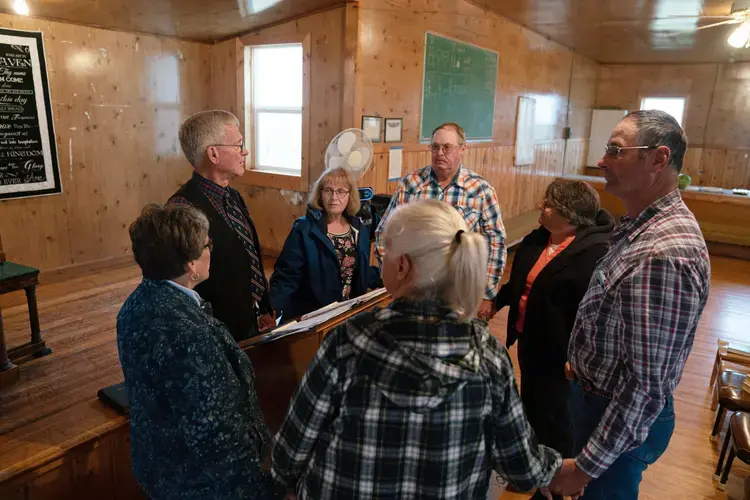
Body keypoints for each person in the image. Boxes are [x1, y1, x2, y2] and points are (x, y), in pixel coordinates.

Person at [271, 199, 570, 499]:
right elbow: (521, 465)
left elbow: (289, 453)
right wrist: (559, 468)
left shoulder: (349, 341)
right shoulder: (489, 355)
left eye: (384, 253)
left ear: (402, 266)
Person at [550, 110, 711, 498]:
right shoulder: (640, 224)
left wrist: (585, 468)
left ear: (658, 160)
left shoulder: (665, 253)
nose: (602, 161)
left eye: (615, 150)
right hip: (596, 400)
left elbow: (645, 386)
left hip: (616, 417)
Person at [116, 204, 283, 500]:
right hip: (199, 484)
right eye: (208, 244)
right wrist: (258, 490)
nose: (210, 250)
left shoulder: (135, 303)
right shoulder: (187, 333)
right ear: (190, 263)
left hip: (160, 467)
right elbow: (213, 433)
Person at [493, 179, 614, 499]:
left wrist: (578, 355)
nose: (541, 209)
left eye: (550, 205)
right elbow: (520, 282)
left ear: (571, 216)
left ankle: (557, 483)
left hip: (561, 354)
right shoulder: (538, 240)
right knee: (530, 408)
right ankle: (527, 471)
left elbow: (594, 315)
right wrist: (496, 302)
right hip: (531, 342)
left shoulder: (594, 254)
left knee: (556, 418)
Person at [374, 122, 505, 321]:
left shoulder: (480, 190)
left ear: (463, 149)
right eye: (435, 147)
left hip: (459, 292)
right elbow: (384, 233)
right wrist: (395, 279)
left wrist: (486, 294)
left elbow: (495, 242)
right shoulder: (412, 184)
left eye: (446, 147)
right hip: (414, 291)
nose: (439, 153)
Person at [168, 110, 274, 341]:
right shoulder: (182, 208)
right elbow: (181, 285)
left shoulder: (232, 196)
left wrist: (263, 306)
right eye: (238, 145)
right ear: (213, 154)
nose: (244, 151)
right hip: (216, 330)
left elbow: (248, 254)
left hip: (249, 319)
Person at [270, 167, 379, 323]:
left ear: (350, 196)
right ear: (320, 195)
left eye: (341, 191)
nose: (334, 197)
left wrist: (383, 279)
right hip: (312, 315)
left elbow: (356, 270)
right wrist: (273, 306)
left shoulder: (358, 228)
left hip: (347, 312)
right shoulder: (304, 229)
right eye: (328, 190)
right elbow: (287, 274)